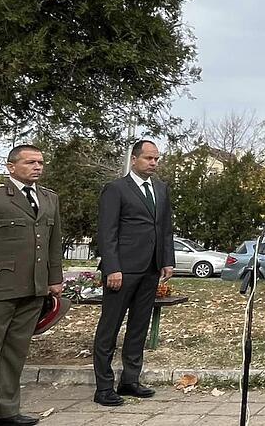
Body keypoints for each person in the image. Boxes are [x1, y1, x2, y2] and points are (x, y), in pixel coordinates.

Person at [0, 145, 63, 426]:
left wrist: (54, 279)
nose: (37, 167)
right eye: (30, 162)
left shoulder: (49, 198)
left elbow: (54, 243)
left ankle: (6, 411)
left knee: (15, 352)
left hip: (33, 288)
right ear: (11, 167)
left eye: (40, 162)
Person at [92, 139, 176, 406]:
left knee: (139, 327)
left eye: (156, 159)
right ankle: (104, 387)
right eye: (148, 158)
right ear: (134, 159)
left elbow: (165, 228)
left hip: (150, 269)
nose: (153, 163)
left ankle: (130, 380)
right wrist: (112, 267)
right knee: (109, 328)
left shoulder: (160, 189)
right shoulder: (116, 189)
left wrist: (167, 260)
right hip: (123, 270)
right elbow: (107, 232)